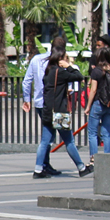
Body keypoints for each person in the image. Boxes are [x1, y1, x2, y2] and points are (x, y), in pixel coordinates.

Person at [34, 42, 91, 179]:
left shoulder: (48, 73)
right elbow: (79, 76)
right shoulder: (61, 73)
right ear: (60, 58)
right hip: (59, 112)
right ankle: (81, 168)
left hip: (48, 110)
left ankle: (38, 169)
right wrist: (69, 67)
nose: (67, 60)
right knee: (69, 141)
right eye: (65, 57)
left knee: (45, 141)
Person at [22, 37, 66, 176]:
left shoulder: (36, 59)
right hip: (56, 104)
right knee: (57, 137)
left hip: (40, 103)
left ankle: (44, 165)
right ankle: (81, 166)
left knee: (49, 134)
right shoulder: (58, 60)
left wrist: (26, 99)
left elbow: (26, 81)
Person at [83, 47, 110, 170]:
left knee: (93, 132)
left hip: (99, 103)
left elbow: (93, 90)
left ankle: (94, 158)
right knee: (106, 132)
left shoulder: (97, 71)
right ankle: (107, 157)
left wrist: (88, 106)